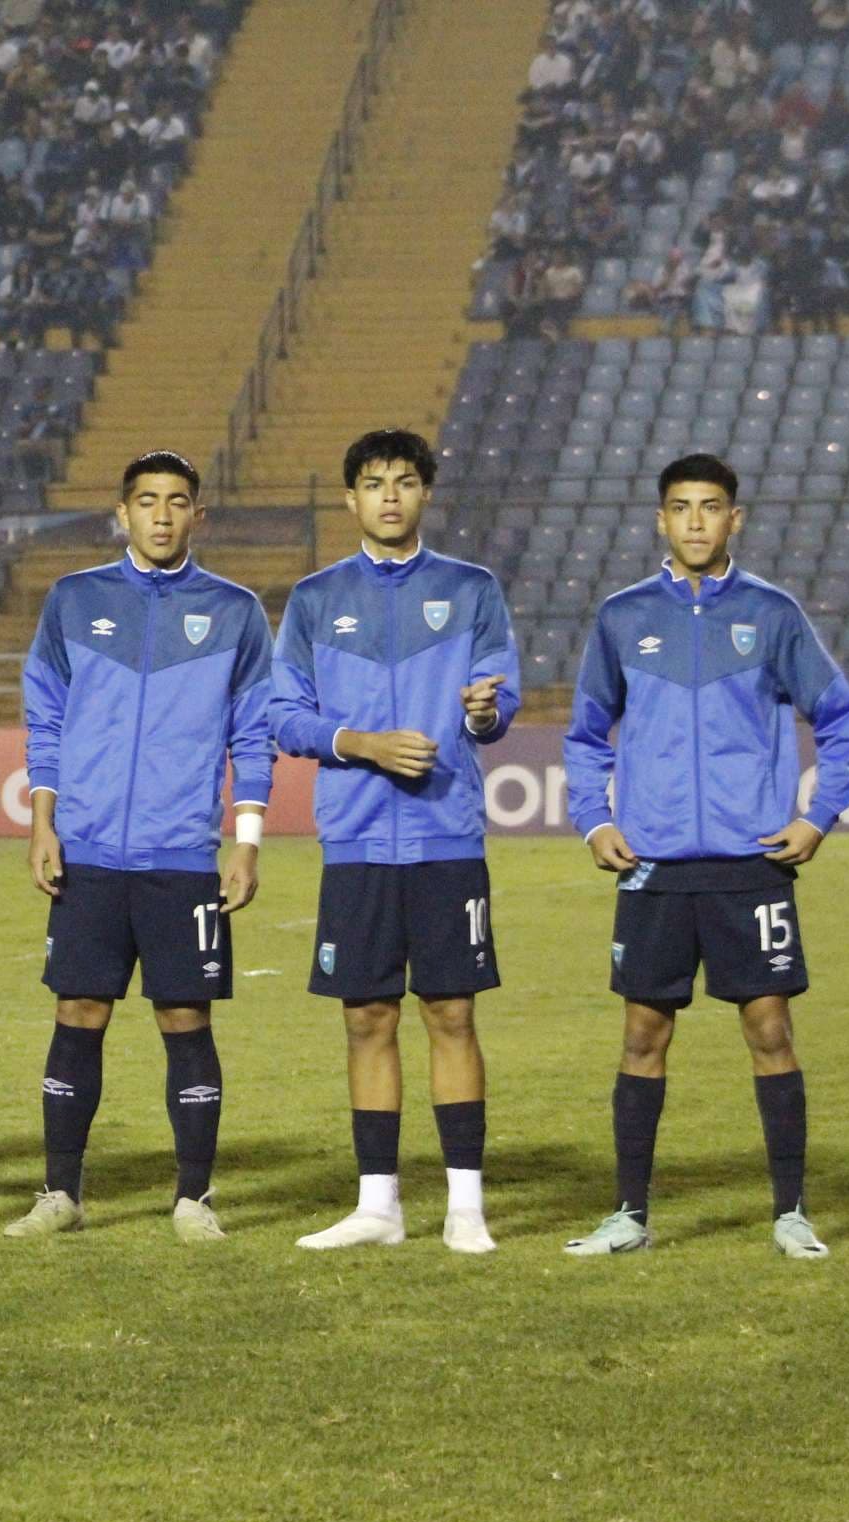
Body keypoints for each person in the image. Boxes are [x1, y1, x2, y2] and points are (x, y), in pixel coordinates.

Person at [560, 453, 849, 1259]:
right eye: (681, 507)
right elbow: (587, 736)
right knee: (642, 1038)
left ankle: (791, 1212)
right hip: (652, 865)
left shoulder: (771, 613)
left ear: (736, 519)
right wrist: (595, 821)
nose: (696, 521)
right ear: (661, 520)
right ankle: (630, 1214)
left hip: (749, 863)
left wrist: (819, 815)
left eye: (712, 507)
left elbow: (839, 717)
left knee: (769, 1030)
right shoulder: (623, 617)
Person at [271, 430, 519, 1254]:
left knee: (451, 1012)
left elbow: (498, 699)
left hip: (447, 837)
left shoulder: (472, 589)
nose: (388, 496)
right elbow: (283, 715)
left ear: (424, 495)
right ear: (351, 499)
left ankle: (465, 1209)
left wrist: (485, 713)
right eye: (373, 483)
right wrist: (362, 743)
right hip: (357, 843)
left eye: (404, 483)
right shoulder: (314, 599)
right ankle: (378, 1206)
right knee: (367, 1017)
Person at [14, 450, 271, 1238]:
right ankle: (62, 1193)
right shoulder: (74, 599)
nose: (163, 515)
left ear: (199, 516)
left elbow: (252, 733)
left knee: (185, 1018)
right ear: (120, 514)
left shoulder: (235, 611)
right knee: (78, 1010)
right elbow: (46, 718)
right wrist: (43, 822)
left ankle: (194, 1198)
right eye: (148, 502)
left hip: (183, 853)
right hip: (88, 850)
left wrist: (247, 839)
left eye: (178, 502)